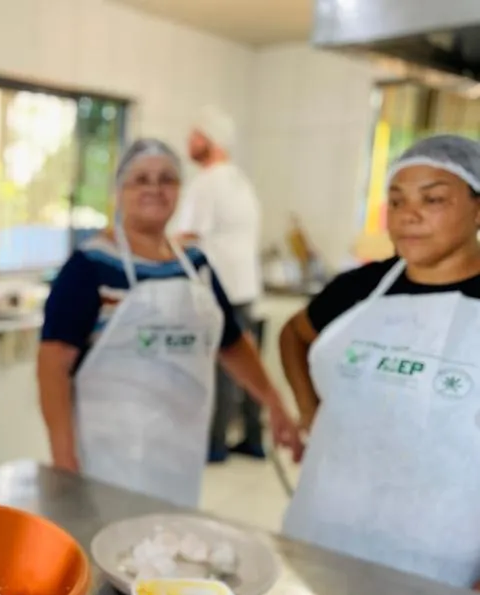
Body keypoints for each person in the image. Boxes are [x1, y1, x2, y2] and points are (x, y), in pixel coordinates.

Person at [37, 138, 301, 509]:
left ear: (179, 190)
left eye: (166, 179)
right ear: (119, 190)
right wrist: (63, 457)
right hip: (107, 458)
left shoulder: (196, 265)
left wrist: (273, 402)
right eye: (140, 179)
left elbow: (232, 343)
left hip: (181, 455)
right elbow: (52, 365)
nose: (154, 189)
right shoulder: (90, 265)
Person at [280, 134, 480, 587]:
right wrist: (308, 410)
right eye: (396, 200)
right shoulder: (359, 288)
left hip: (440, 550)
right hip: (327, 523)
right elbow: (294, 334)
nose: (409, 215)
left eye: (433, 199)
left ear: (477, 209)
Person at [176, 106, 264, 462]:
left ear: (210, 140)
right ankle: (254, 439)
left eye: (195, 135)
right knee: (247, 363)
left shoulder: (207, 182)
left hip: (220, 288)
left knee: (224, 370)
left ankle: (214, 446)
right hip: (245, 287)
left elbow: (185, 236)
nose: (189, 142)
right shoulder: (239, 180)